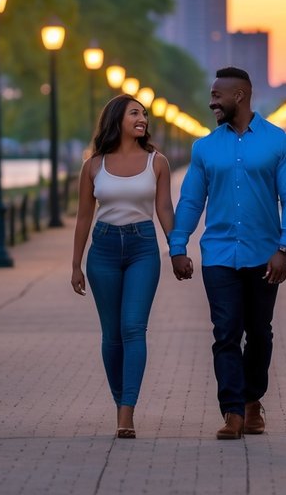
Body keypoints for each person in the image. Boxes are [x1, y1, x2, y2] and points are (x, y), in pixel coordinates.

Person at [169, 66, 286, 440]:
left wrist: (285, 248)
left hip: (265, 255)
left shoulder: (280, 144)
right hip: (219, 255)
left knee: (259, 332)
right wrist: (178, 246)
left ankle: (251, 401)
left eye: (217, 96)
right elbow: (192, 200)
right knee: (226, 332)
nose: (212, 102)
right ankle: (232, 412)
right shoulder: (205, 147)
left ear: (239, 96)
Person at [72, 93, 175, 439]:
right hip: (102, 250)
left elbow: (164, 209)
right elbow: (84, 216)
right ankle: (120, 404)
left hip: (142, 248)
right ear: (117, 119)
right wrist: (76, 265)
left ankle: (127, 412)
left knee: (133, 328)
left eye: (144, 114)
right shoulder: (93, 165)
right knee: (112, 335)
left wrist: (177, 249)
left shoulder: (157, 162)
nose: (142, 118)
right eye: (134, 113)